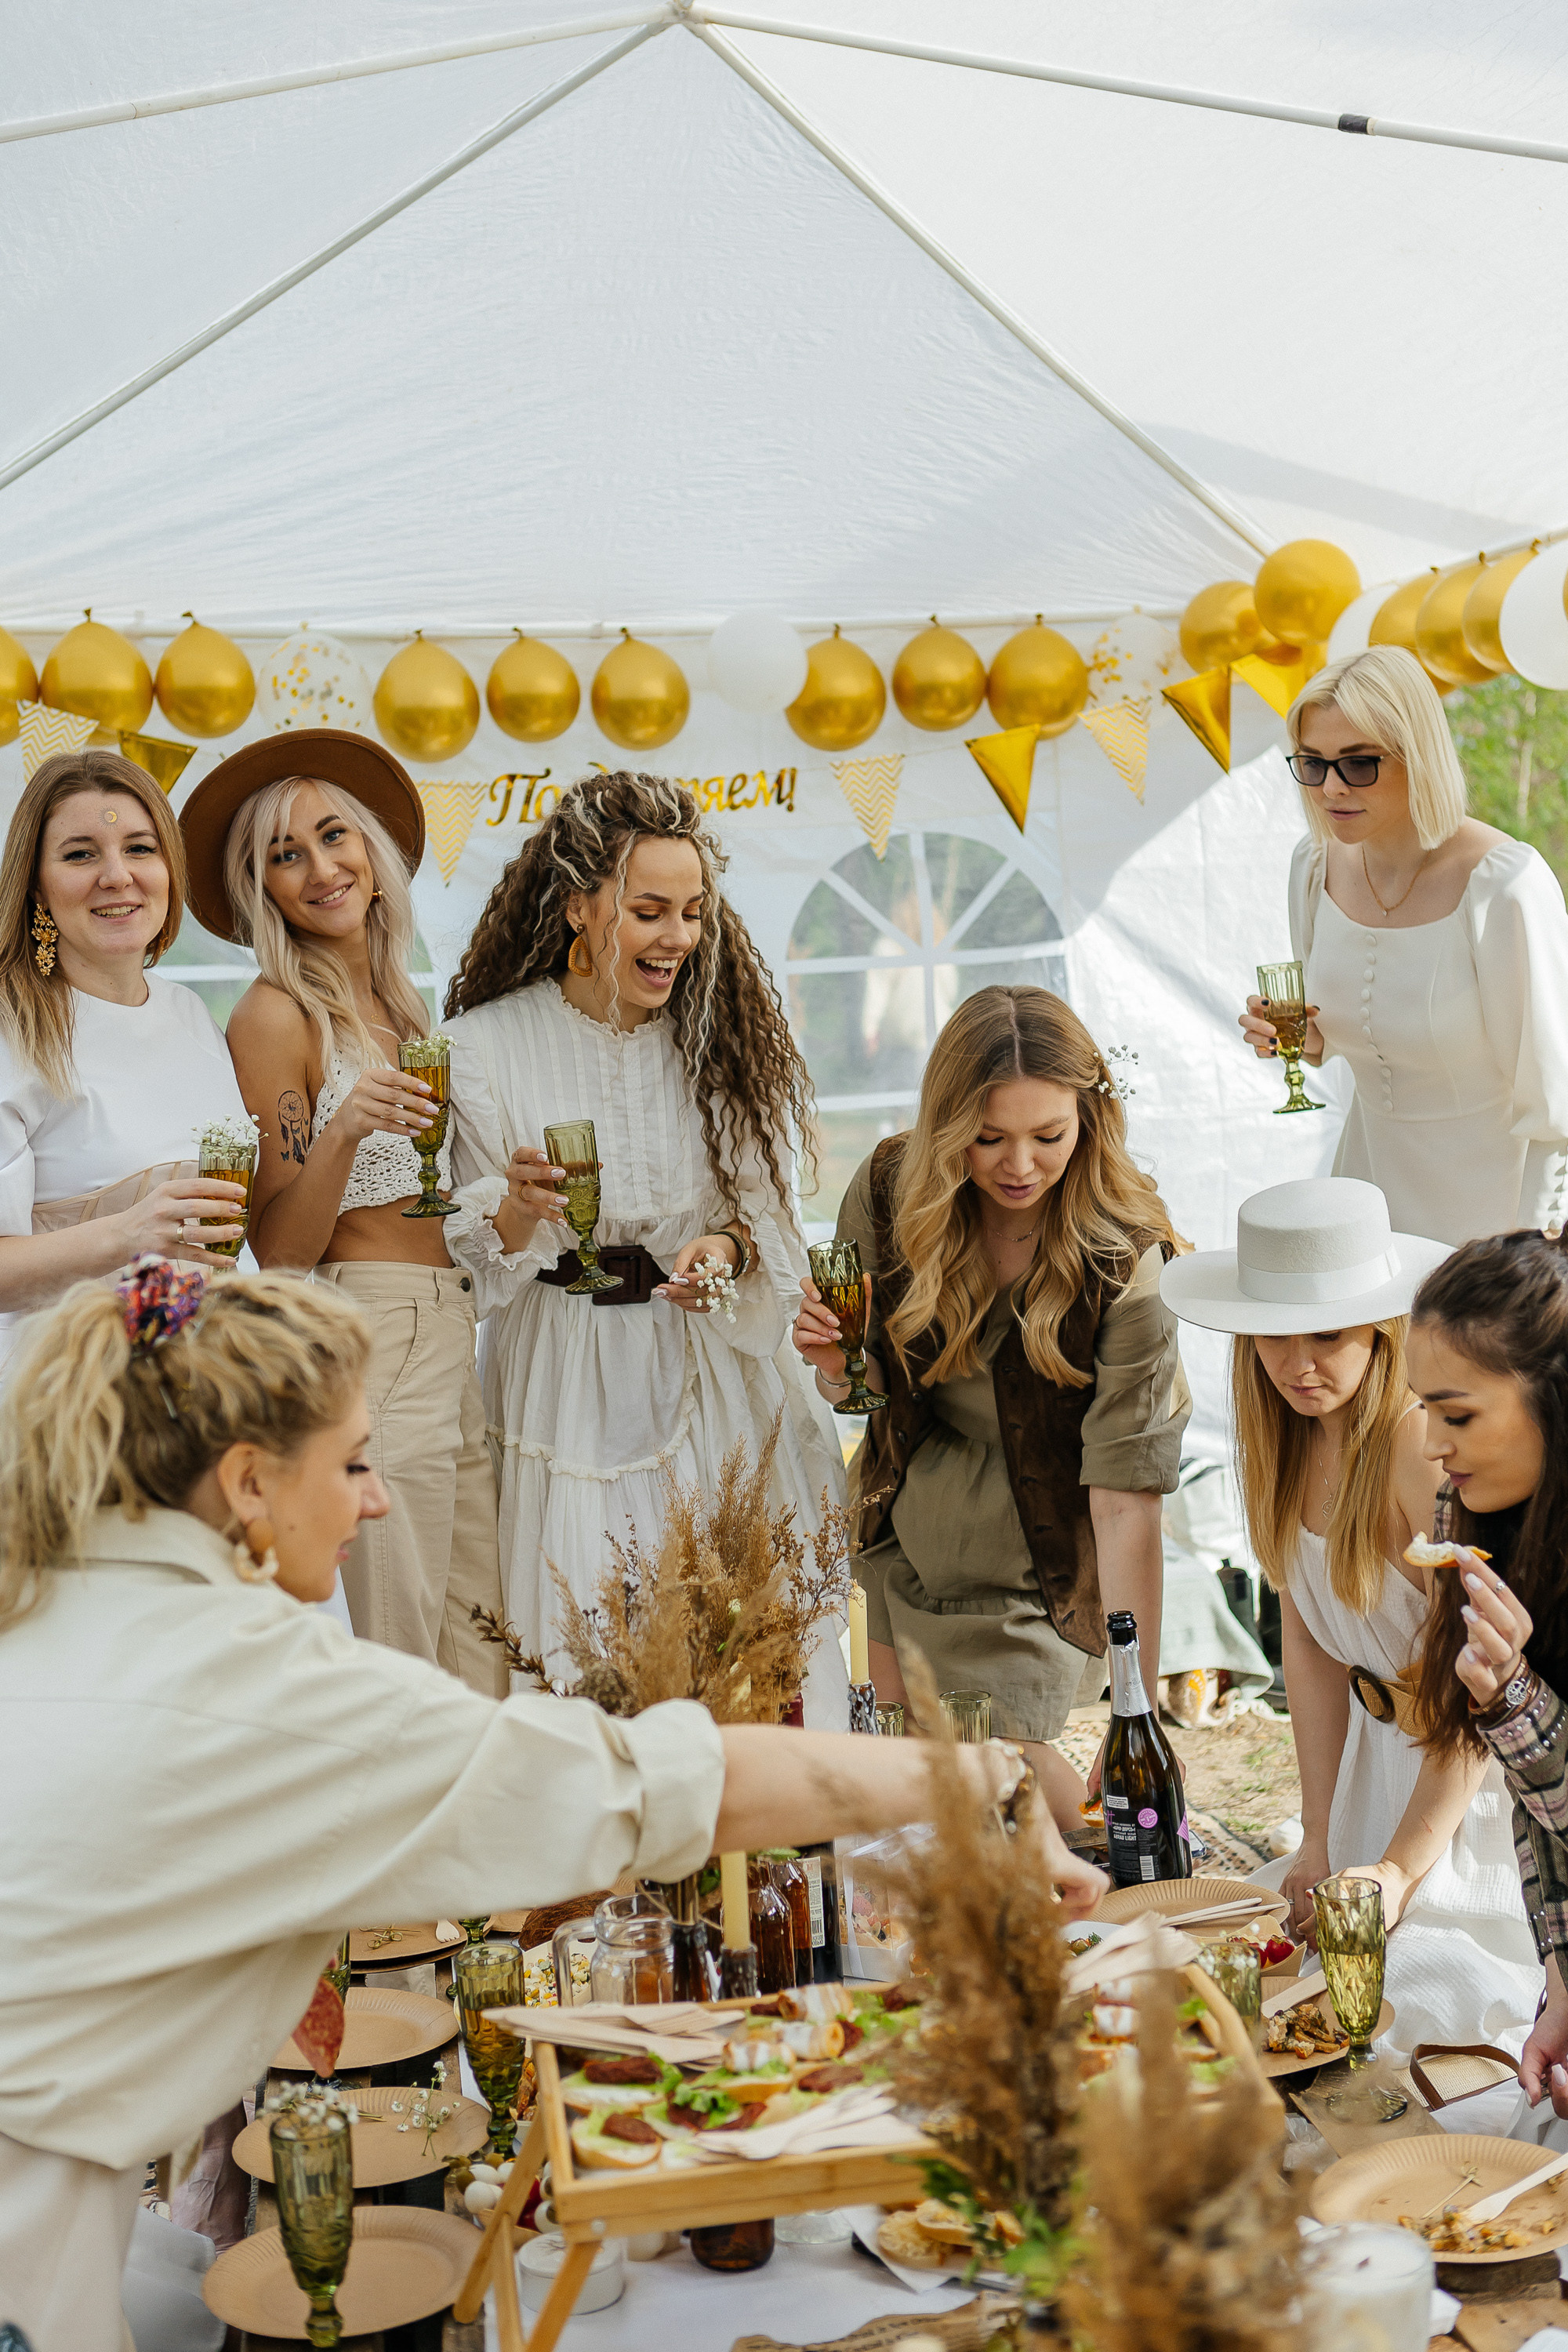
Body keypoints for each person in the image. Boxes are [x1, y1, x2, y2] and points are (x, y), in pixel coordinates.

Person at [0, 1258, 1102, 2350]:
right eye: (355, 1462)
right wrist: (978, 1777)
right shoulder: (252, 1684)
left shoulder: (47, 1595)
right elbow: (664, 1789)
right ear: (248, 1483)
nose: (377, 1496)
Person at [440, 770, 844, 1714]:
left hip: (705, 1373)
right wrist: (517, 1212)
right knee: (586, 1633)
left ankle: (747, 1856)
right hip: (561, 1375)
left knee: (730, 1636)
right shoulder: (482, 1047)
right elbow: (470, 1274)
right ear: (579, 905)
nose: (678, 939)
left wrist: (726, 1252)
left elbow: (767, 1225)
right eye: (650, 911)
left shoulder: (714, 1039)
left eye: (694, 913)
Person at [1163, 1176, 1541, 2056]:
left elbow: (1471, 1696)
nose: (1299, 1362)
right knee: (1237, 1977)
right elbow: (1309, 1651)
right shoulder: (1280, 1446)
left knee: (1402, 2007)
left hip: (1460, 1792)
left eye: (1327, 1335)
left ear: (1377, 1332)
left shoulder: (1417, 1449)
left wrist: (1403, 1868)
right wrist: (1319, 1836)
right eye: (1274, 1336)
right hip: (1370, 1770)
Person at [793, 984, 1190, 1820]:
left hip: (1036, 1565)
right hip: (903, 1540)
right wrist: (836, 1366)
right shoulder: (888, 1190)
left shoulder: (1123, 1254)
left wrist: (1136, 1711)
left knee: (1022, 1800)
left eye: (1047, 1136)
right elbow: (857, 1392)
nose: (1017, 1166)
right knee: (914, 1799)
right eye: (986, 1139)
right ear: (946, 1128)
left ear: (1089, 1118)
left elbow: (1125, 1503)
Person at [178, 730, 506, 1698]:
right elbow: (274, 1254)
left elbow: (437, 1208)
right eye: (286, 855)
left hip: (452, 1329)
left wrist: (515, 1206)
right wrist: (343, 1132)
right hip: (372, 1329)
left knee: (481, 1650)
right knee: (395, 1652)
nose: (321, 868)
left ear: (370, 848)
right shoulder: (275, 1015)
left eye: (333, 837)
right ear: (260, 888)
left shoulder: (407, 1006)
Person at [1238, 644, 1568, 1245]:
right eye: (1312, 763)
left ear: (1418, 756)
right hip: (1364, 1200)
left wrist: (1529, 1258)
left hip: (1494, 1214)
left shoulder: (1503, 885)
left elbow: (1556, 1105)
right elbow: (1327, 1038)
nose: (1330, 788)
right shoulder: (1313, 867)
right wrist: (1289, 1035)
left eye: (1358, 763)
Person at [0, 748, 249, 1378]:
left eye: (140, 848)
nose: (117, 875)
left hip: (199, 1391)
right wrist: (125, 1232)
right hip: (70, 1402)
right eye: (81, 854)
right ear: (36, 886)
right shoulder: (11, 1032)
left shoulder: (191, 1015)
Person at [1406, 1230, 1568, 2120]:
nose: (1430, 1443)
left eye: (1456, 1414)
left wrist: (1513, 1700)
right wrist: (1559, 1978)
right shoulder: (1480, 1516)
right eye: (1422, 1410)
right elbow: (1533, 1815)